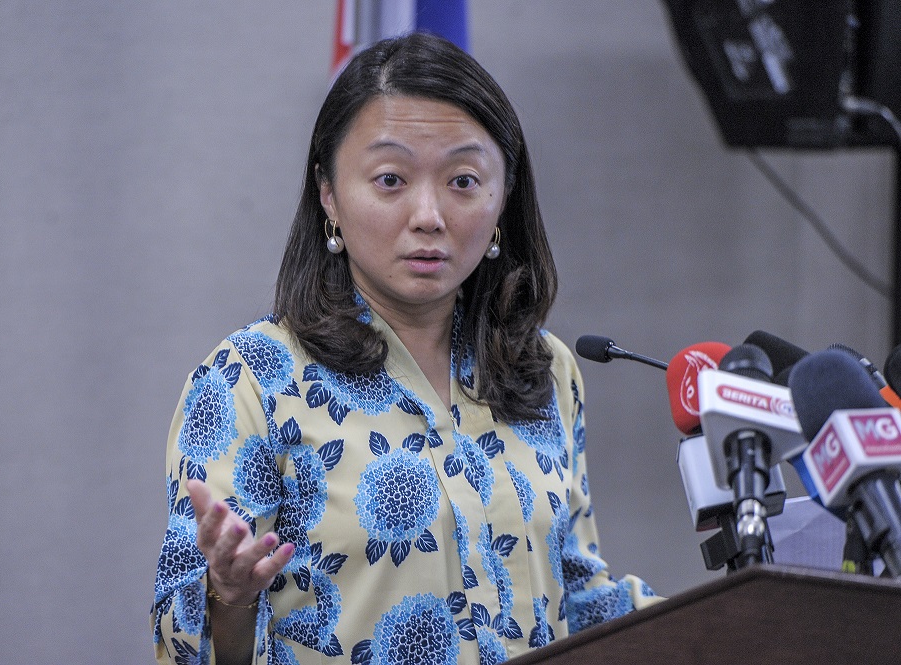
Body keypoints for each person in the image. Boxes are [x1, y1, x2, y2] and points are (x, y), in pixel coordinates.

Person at [151, 32, 660, 665]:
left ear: (503, 199)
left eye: (463, 180)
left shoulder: (545, 368)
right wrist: (230, 598)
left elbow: (580, 599)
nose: (429, 214)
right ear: (328, 195)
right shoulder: (249, 381)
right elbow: (186, 650)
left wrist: (740, 613)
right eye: (390, 179)